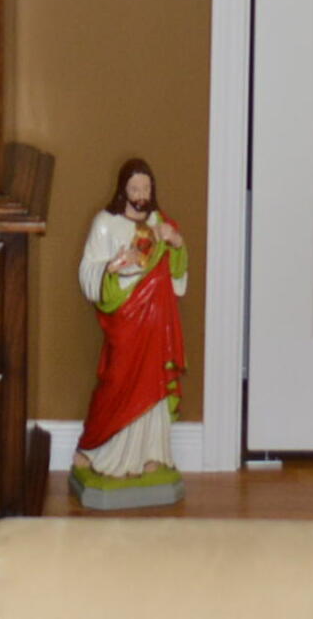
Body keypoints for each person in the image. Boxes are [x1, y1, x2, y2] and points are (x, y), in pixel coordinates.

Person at [71, 157, 189, 509]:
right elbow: (88, 271)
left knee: (152, 384)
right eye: (135, 188)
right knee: (117, 381)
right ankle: (94, 451)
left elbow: (178, 271)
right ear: (123, 189)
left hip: (156, 322)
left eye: (146, 188)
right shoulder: (106, 224)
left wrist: (177, 242)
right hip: (124, 319)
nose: (141, 194)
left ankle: (152, 454)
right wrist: (112, 267)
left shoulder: (159, 223)